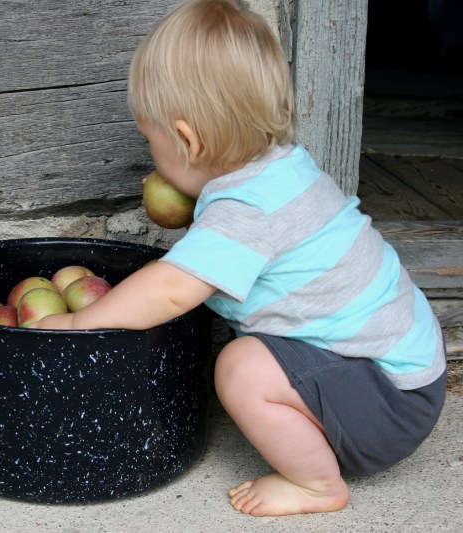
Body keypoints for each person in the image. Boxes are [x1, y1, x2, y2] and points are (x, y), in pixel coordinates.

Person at [30, 0, 448, 517]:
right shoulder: (280, 170)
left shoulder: (247, 211)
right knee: (253, 356)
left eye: (149, 140)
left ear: (186, 139)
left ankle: (318, 485)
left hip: (389, 406)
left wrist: (79, 323)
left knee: (241, 369)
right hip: (402, 378)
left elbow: (169, 290)